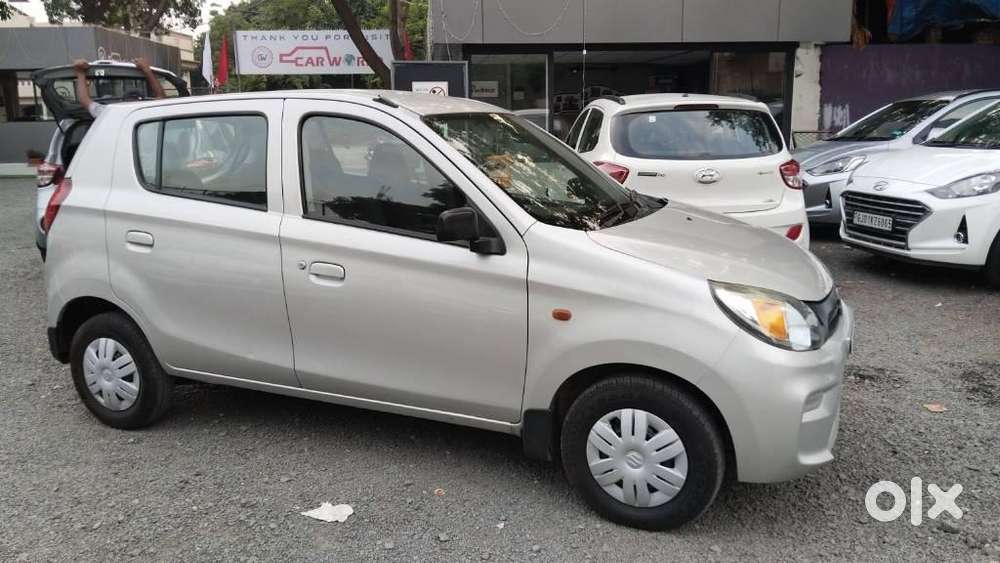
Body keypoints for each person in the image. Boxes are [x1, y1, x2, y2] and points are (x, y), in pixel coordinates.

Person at [73, 57, 166, 118]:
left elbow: (84, 100)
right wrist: (147, 70)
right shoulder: (147, 112)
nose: (132, 103)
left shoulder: (112, 113)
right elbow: (161, 98)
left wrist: (80, 73)